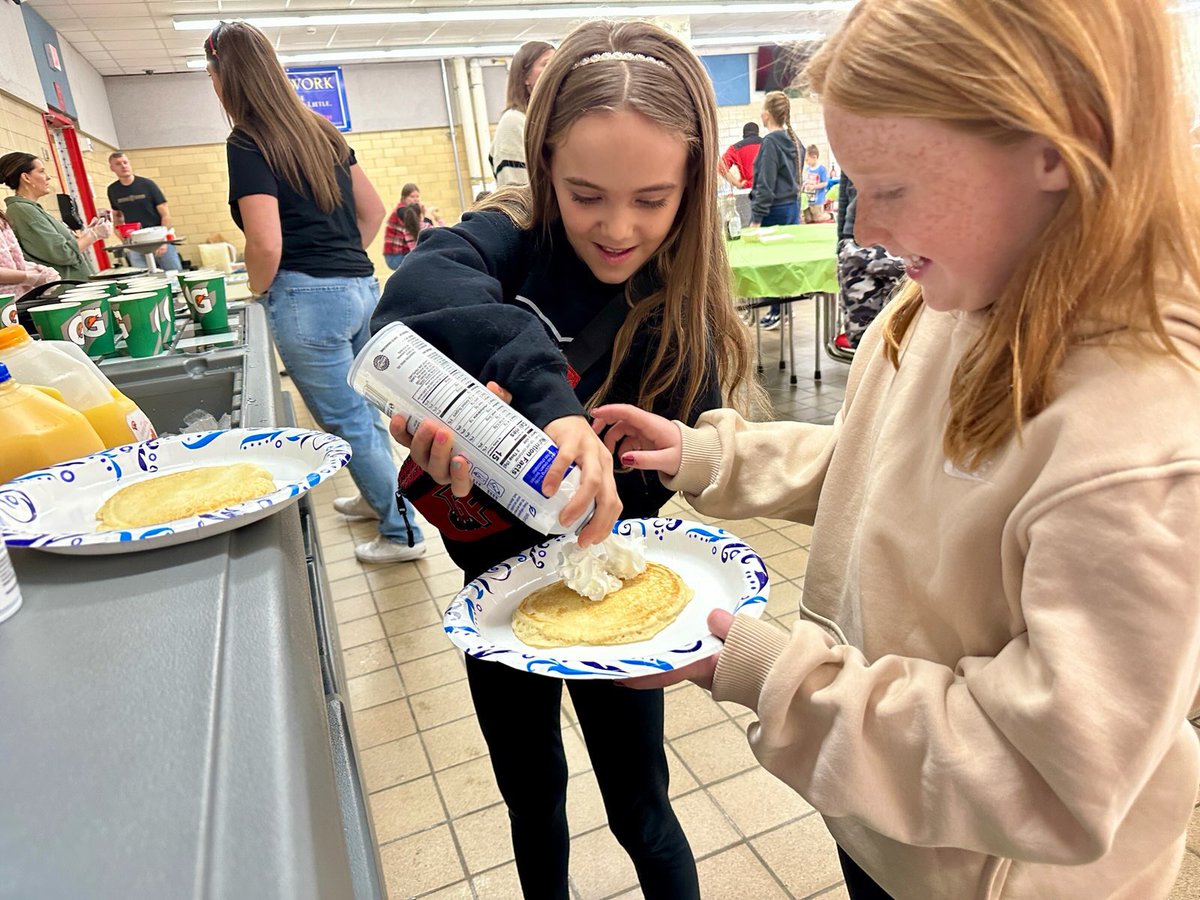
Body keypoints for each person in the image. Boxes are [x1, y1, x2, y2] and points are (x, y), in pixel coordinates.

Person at [590, 0, 1200, 897]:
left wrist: (772, 679)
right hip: (892, 820)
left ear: (1058, 147)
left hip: (989, 873)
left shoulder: (1140, 441)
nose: (863, 228)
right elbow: (877, 465)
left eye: (893, 188)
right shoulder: (955, 295)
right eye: (854, 186)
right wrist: (710, 457)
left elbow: (1049, 772)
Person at [372, 20, 761, 900]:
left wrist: (569, 475)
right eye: (586, 194)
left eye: (652, 200)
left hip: (610, 590)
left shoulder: (678, 318)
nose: (617, 229)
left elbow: (644, 504)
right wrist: (513, 426)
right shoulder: (506, 246)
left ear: (691, 190)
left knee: (642, 808)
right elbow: (416, 296)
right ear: (544, 165)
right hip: (491, 593)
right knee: (531, 799)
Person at [203, 20, 426, 565]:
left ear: (223, 76)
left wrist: (258, 292)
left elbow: (265, 241)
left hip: (306, 299)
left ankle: (403, 533)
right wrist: (345, 260)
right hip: (361, 288)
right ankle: (381, 500)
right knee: (366, 412)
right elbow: (373, 212)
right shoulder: (321, 129)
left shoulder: (247, 141)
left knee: (347, 420)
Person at [0, 152, 110, 283]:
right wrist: (93, 235)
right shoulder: (24, 210)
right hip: (66, 291)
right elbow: (63, 254)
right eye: (41, 171)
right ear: (26, 178)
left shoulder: (31, 209)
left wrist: (86, 235)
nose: (48, 177)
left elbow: (54, 247)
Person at [749, 91, 804, 331]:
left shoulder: (771, 142)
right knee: (786, 263)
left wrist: (756, 219)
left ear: (766, 114)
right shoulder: (794, 140)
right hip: (791, 208)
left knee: (771, 264)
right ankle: (784, 308)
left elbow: (766, 183)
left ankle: (775, 310)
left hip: (774, 211)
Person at [833, 172, 904, 350]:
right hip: (856, 247)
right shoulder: (852, 150)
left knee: (900, 334)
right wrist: (842, 241)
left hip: (898, 244)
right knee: (861, 338)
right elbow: (844, 195)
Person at [488, 40, 554, 187]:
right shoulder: (514, 122)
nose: (554, 70)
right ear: (525, 77)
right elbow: (516, 191)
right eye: (546, 64)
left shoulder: (555, 119)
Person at [106, 152, 184, 271]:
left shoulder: (147, 185)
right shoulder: (113, 190)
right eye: (118, 164)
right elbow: (118, 218)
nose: (123, 166)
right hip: (136, 242)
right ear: (112, 168)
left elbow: (165, 215)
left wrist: (163, 241)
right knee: (142, 276)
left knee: (174, 273)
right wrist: (125, 241)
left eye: (125, 162)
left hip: (158, 238)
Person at [0, 208, 60, 301]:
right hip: (4, 304)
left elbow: (9, 260)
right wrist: (30, 277)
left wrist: (37, 270)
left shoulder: (2, 219)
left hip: (19, 299)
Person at [382, 183, 441, 269]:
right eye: (412, 197)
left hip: (403, 253)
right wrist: (427, 215)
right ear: (404, 198)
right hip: (396, 255)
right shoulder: (402, 211)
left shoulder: (410, 211)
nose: (416, 200)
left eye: (417, 197)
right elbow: (425, 230)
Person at [719, 121, 763, 189]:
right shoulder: (768, 144)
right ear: (757, 133)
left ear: (744, 134)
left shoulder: (736, 148)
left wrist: (737, 184)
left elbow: (721, 167)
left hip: (747, 190)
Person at [802, 144, 832, 223]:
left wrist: (814, 187)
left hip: (818, 199)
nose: (806, 162)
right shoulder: (808, 169)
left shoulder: (821, 169)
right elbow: (807, 180)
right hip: (808, 198)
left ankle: (830, 215)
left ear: (814, 157)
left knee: (817, 217)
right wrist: (805, 184)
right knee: (808, 218)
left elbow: (825, 183)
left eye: (807, 160)